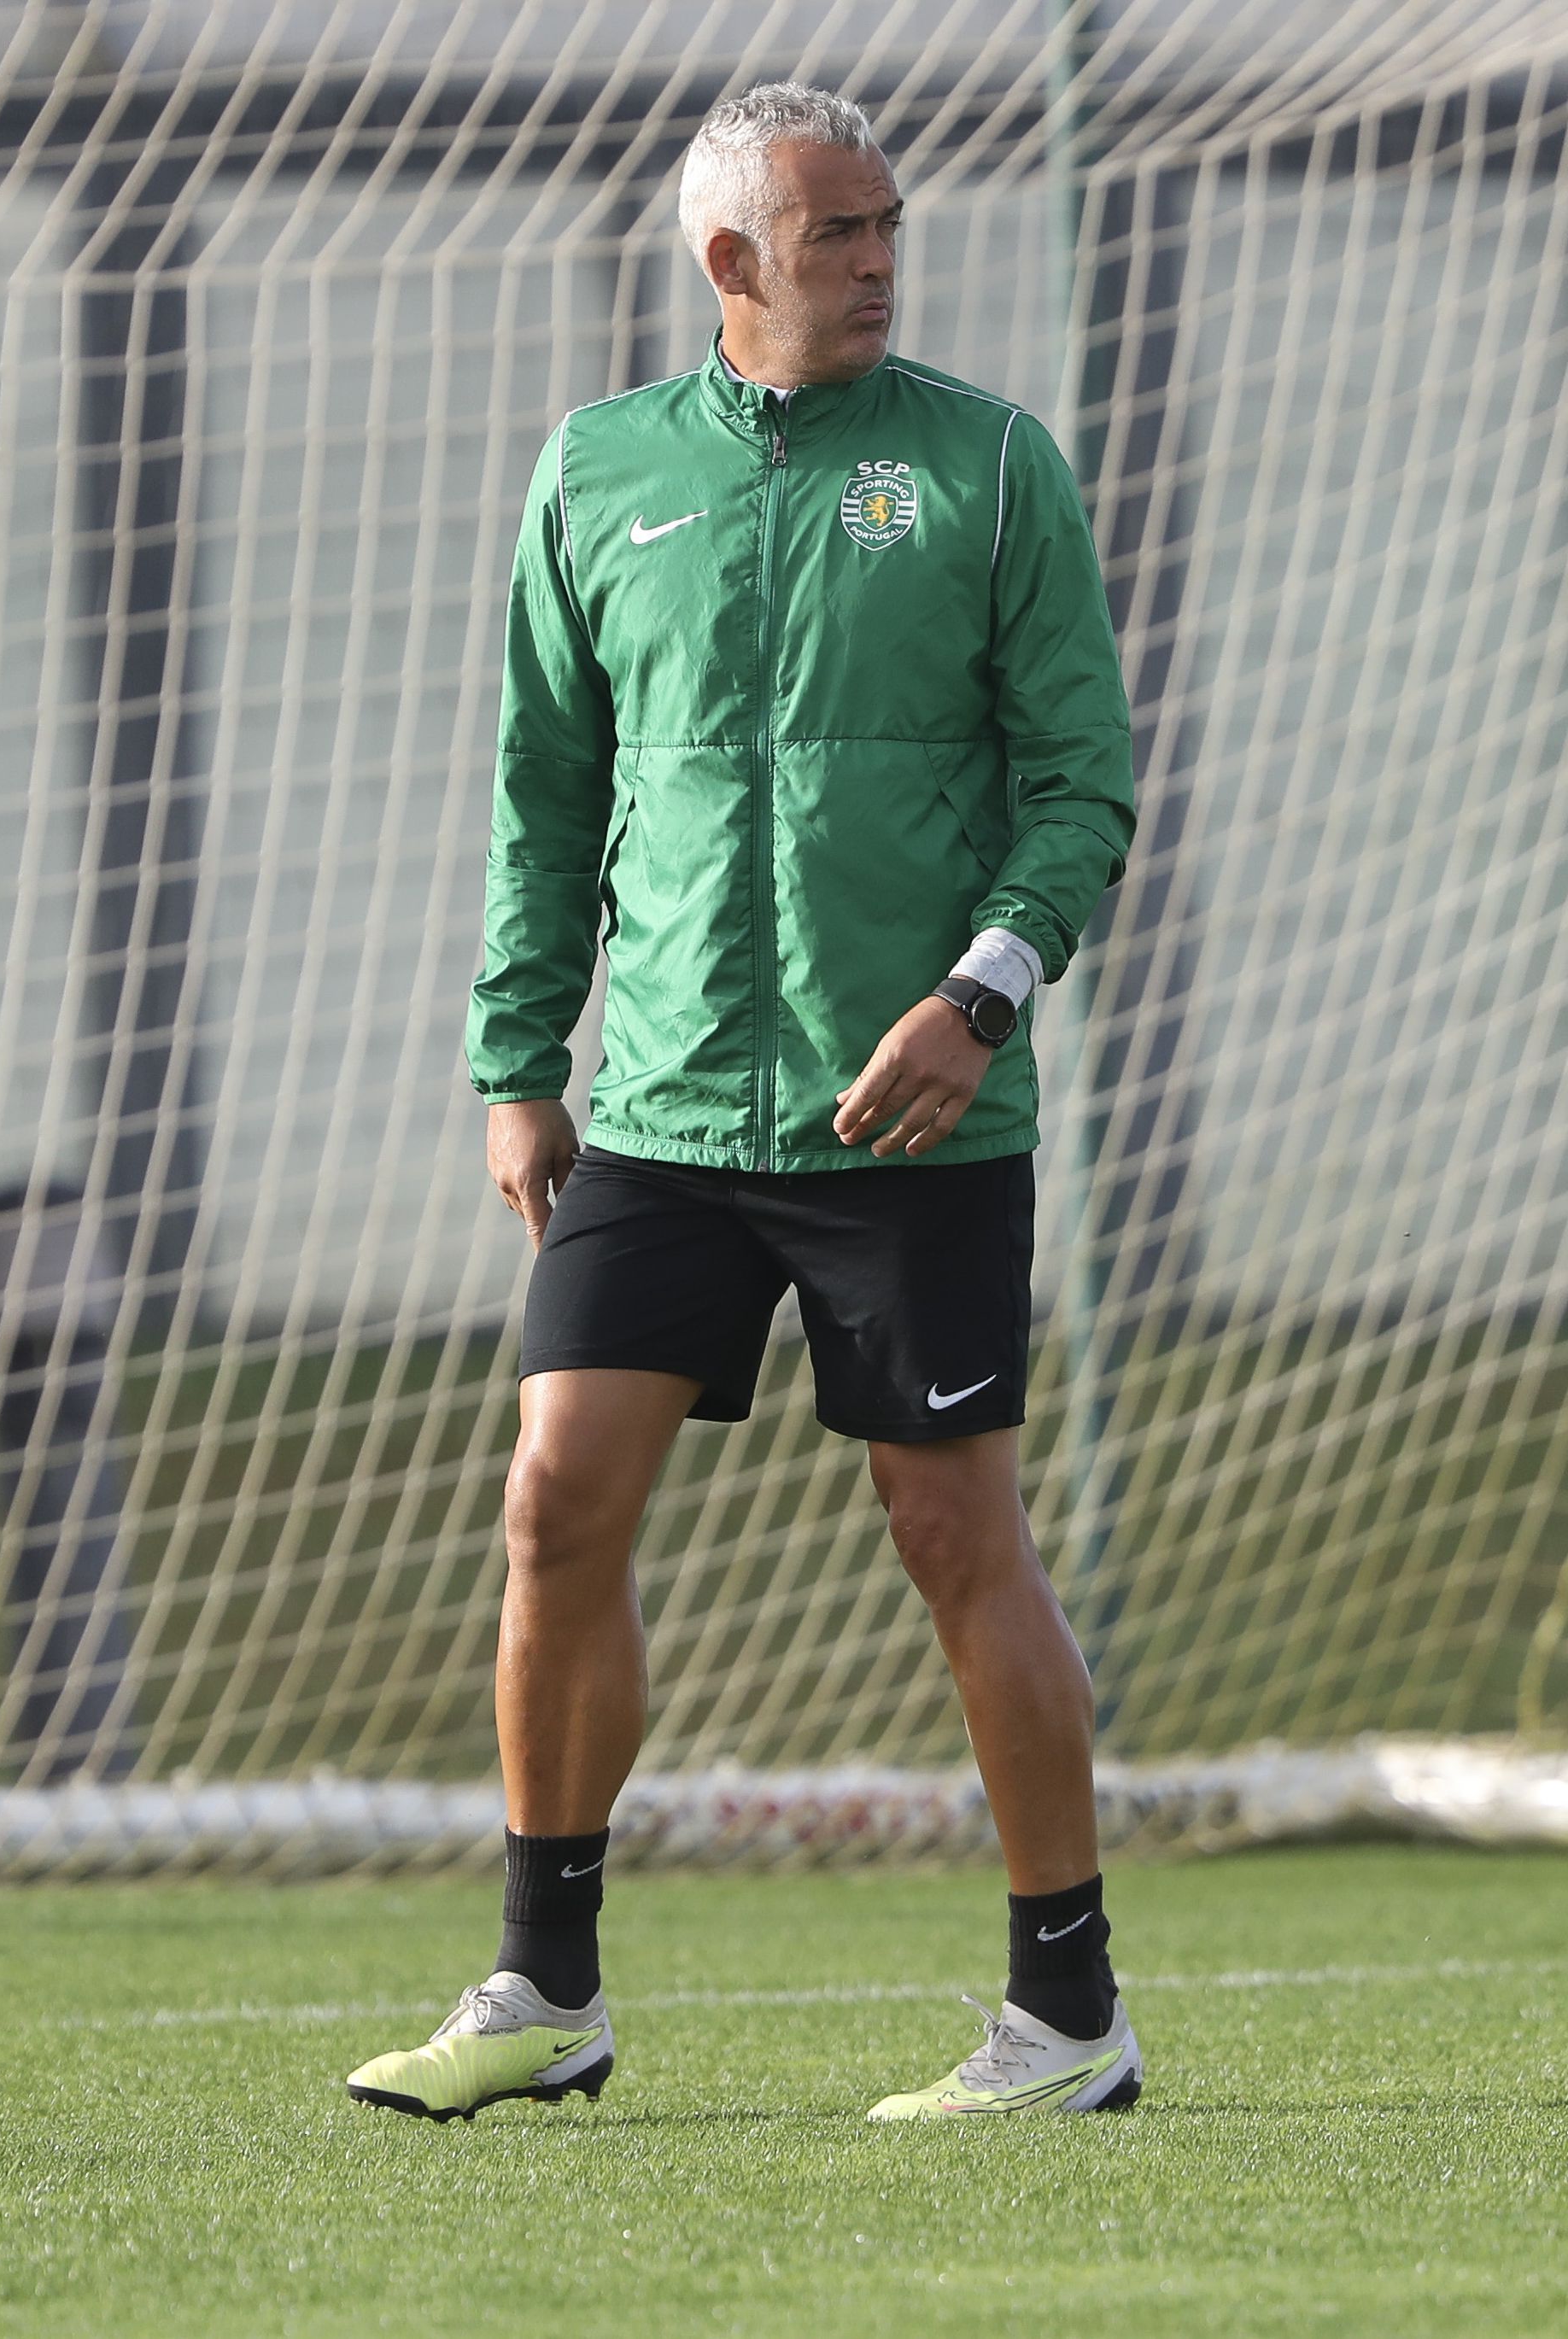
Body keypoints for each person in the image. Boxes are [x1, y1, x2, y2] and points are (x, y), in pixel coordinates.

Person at [341, 81, 1141, 2124]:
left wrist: (976, 996)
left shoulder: (987, 466)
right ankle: (543, 1987)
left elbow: (1082, 789)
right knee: (551, 1503)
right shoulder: (597, 469)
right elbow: (543, 792)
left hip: (913, 1120)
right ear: (728, 261)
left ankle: (1067, 2015)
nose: (877, 260)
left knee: (954, 1533)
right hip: (662, 1110)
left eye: (888, 224)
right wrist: (515, 1061)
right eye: (834, 232)